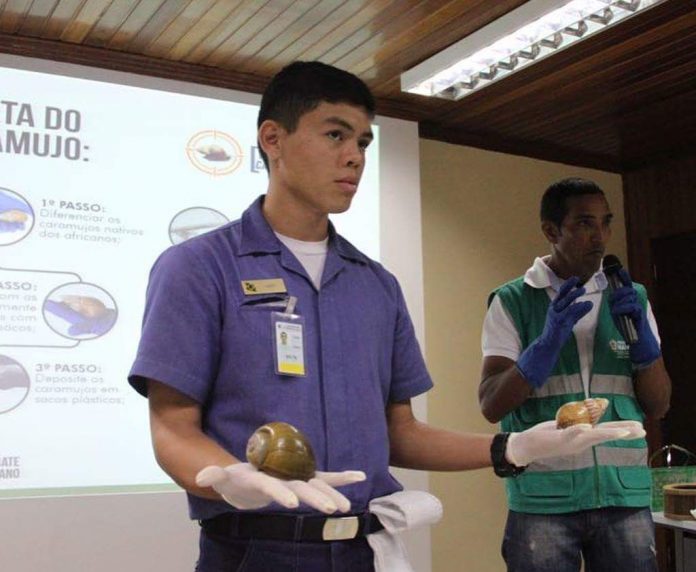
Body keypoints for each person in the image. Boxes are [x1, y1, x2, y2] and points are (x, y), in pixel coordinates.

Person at [129, 64, 645, 572]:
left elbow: (399, 433)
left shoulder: (375, 285)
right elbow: (172, 426)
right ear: (273, 138)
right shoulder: (199, 267)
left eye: (363, 143)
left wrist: (513, 446)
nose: (353, 157)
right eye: (335, 135)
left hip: (362, 551)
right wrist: (226, 474)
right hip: (253, 551)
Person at [479, 177, 672, 572]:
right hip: (543, 499)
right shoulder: (513, 300)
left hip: (624, 498)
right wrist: (543, 348)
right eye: (584, 223)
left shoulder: (630, 297)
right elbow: (491, 403)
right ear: (551, 231)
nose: (599, 237)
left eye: (605, 223)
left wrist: (646, 353)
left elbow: (659, 404)